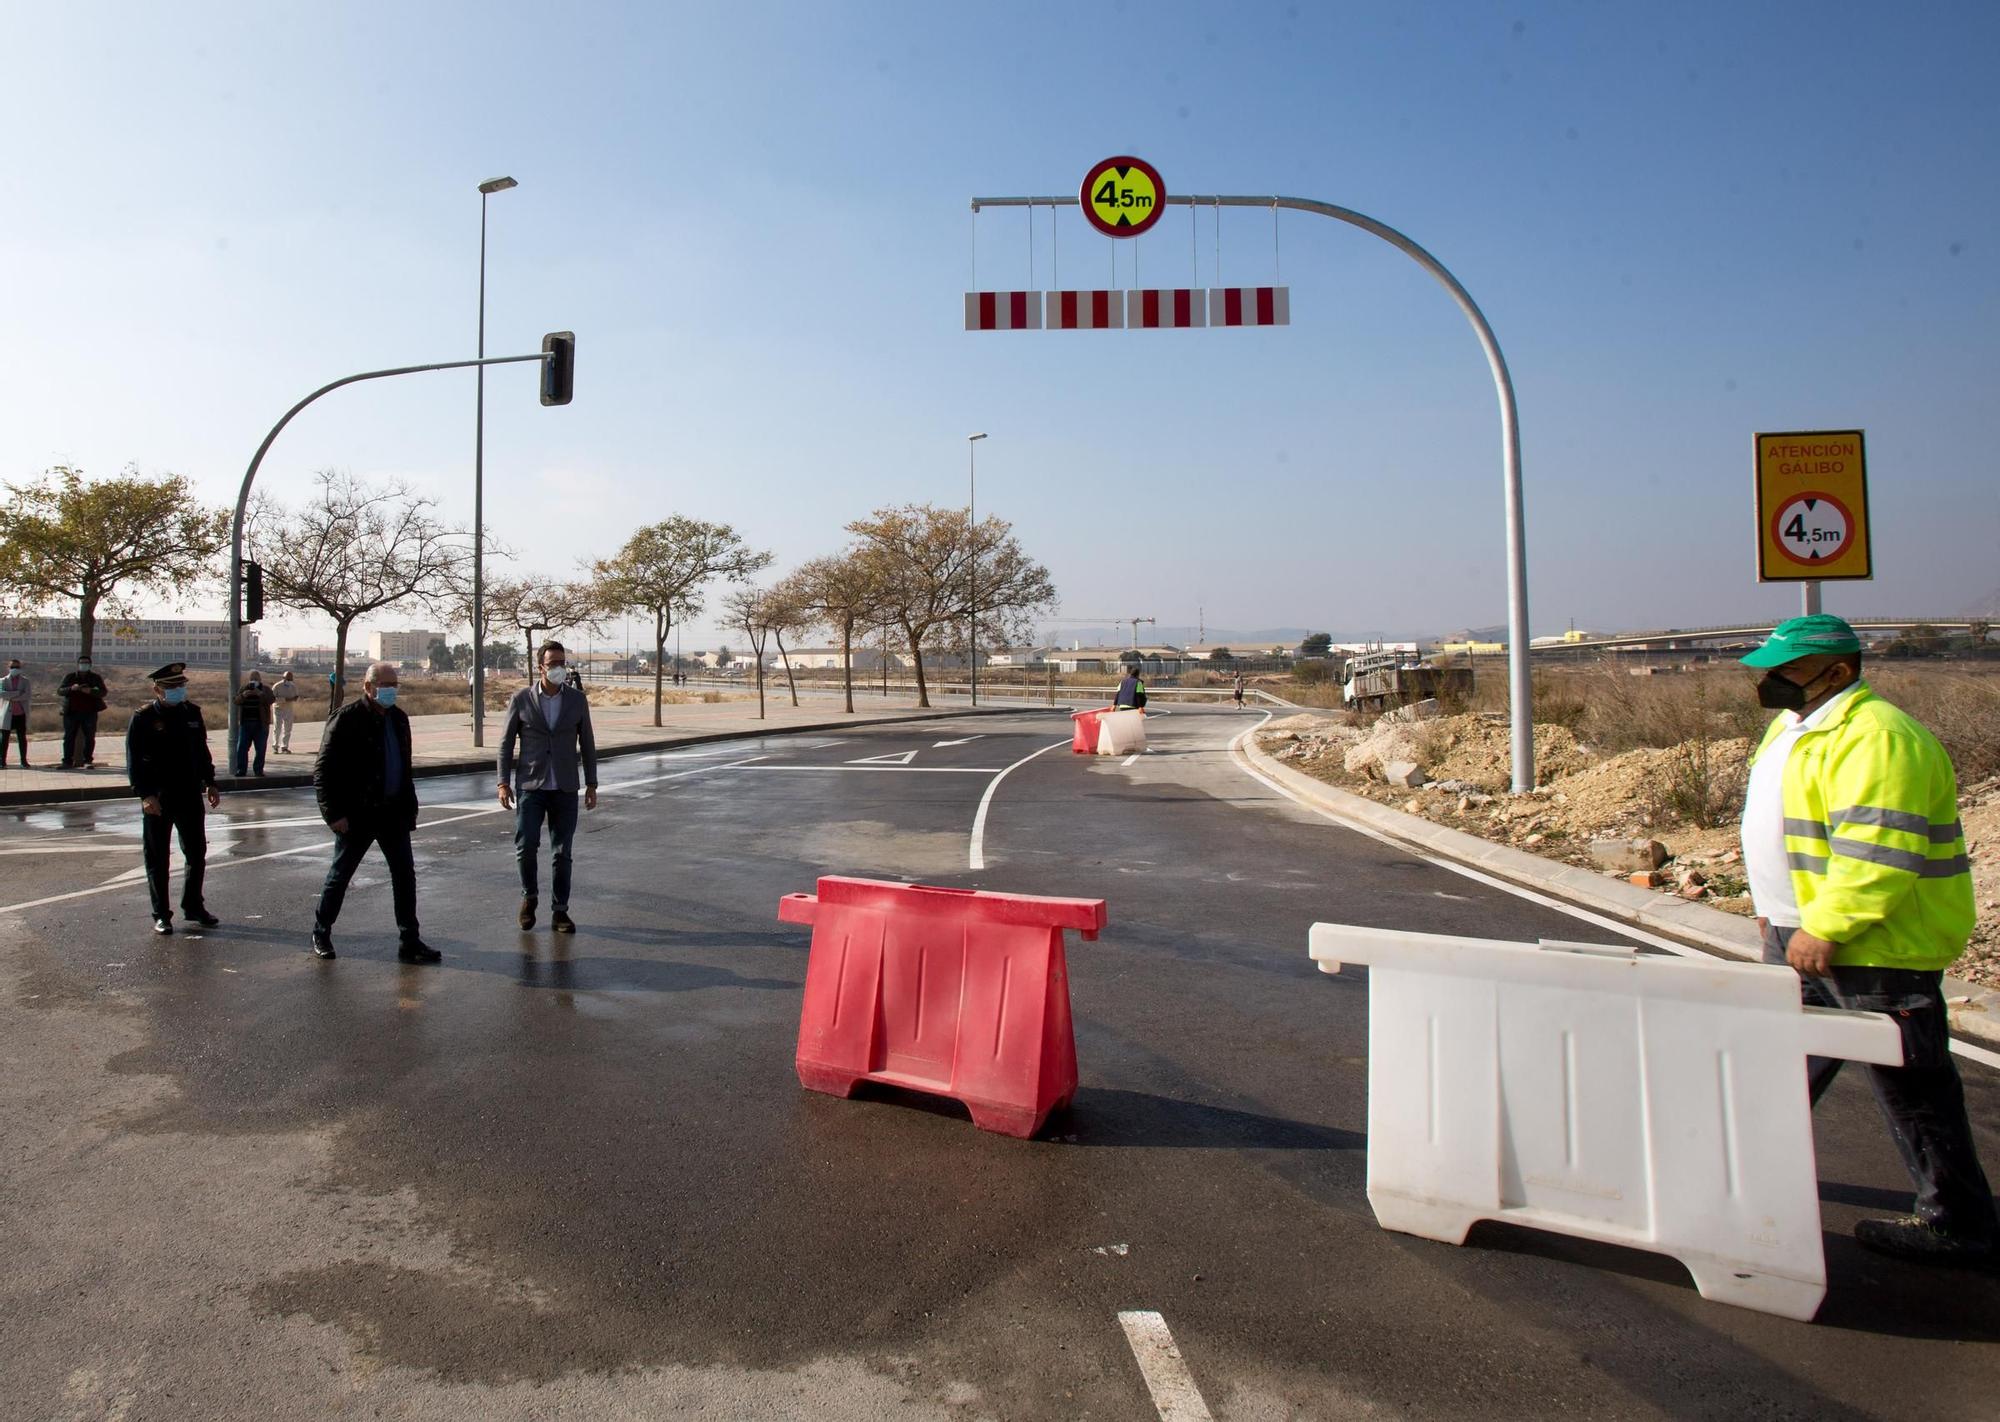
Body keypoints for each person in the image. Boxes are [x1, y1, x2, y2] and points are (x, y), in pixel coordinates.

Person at [1739, 613, 1994, 1266]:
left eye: (1786, 671)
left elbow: (1877, 851)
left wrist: (1827, 925)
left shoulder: (1879, 738)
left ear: (1839, 672)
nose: (1770, 682)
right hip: (1803, 935)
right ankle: (1740, 1189)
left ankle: (1959, 1223)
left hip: (1874, 947)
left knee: (1912, 1089)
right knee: (1783, 1069)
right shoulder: (1794, 728)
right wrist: (1775, 911)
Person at [309, 661, 437, 963]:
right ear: (368, 686)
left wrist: (410, 807)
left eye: (395, 685)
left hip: (393, 813)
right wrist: (333, 814)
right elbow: (322, 770)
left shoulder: (399, 719)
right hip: (358, 815)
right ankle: (321, 931)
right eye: (384, 684)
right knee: (340, 876)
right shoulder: (347, 718)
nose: (390, 690)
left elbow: (403, 768)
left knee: (405, 876)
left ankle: (410, 939)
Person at [498, 641, 599, 933]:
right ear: (539, 667)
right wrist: (503, 782)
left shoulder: (577, 700)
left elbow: (588, 744)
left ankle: (560, 911)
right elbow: (505, 745)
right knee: (526, 845)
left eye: (562, 663)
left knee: (562, 852)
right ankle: (529, 898)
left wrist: (592, 783)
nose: (558, 668)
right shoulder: (521, 699)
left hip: (565, 787)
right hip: (531, 785)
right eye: (552, 663)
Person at [124, 663, 221, 935]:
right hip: (159, 797)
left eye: (181, 685)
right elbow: (134, 762)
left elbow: (201, 752)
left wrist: (210, 782)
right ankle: (161, 914)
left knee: (196, 852)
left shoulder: (192, 713)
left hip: (189, 793)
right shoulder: (143, 718)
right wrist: (144, 794)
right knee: (157, 857)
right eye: (171, 687)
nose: (179, 690)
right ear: (157, 689)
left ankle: (193, 906)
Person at [58, 654, 109, 768]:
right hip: (71, 712)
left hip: (89, 712)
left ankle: (88, 761)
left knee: (89, 737)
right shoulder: (70, 677)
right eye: (82, 663)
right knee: (69, 737)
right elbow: (60, 691)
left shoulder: (95, 678)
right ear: (78, 664)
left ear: (90, 665)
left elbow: (103, 692)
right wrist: (71, 688)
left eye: (86, 663)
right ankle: (67, 761)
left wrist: (90, 691)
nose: (83, 665)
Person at [233, 672, 276, 776]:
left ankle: (258, 770)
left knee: (260, 748)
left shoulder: (265, 689)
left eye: (256, 678)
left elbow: (271, 700)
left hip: (261, 724)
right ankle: (241, 770)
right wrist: (243, 695)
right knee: (242, 748)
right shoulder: (244, 688)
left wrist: (260, 694)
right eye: (252, 678)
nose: (254, 681)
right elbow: (236, 701)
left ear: (260, 679)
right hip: (246, 723)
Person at [1, 659, 31, 767]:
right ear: (8, 668)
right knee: (4, 738)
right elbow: (2, 694)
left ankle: (23, 760)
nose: (15, 669)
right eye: (13, 667)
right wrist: (17, 693)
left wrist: (12, 697)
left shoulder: (25, 681)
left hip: (20, 713)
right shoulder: (3, 681)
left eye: (17, 667)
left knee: (22, 738)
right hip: (7, 714)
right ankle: (2, 761)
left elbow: (26, 695)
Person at [270, 670, 300, 754]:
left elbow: (296, 696)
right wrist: (285, 699)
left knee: (287, 728)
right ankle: (275, 746)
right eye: (288, 677)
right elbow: (273, 698)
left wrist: (294, 698)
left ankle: (285, 746)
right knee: (277, 727)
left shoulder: (293, 686)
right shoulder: (277, 686)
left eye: (290, 677)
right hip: (278, 708)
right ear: (284, 677)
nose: (289, 679)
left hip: (288, 708)